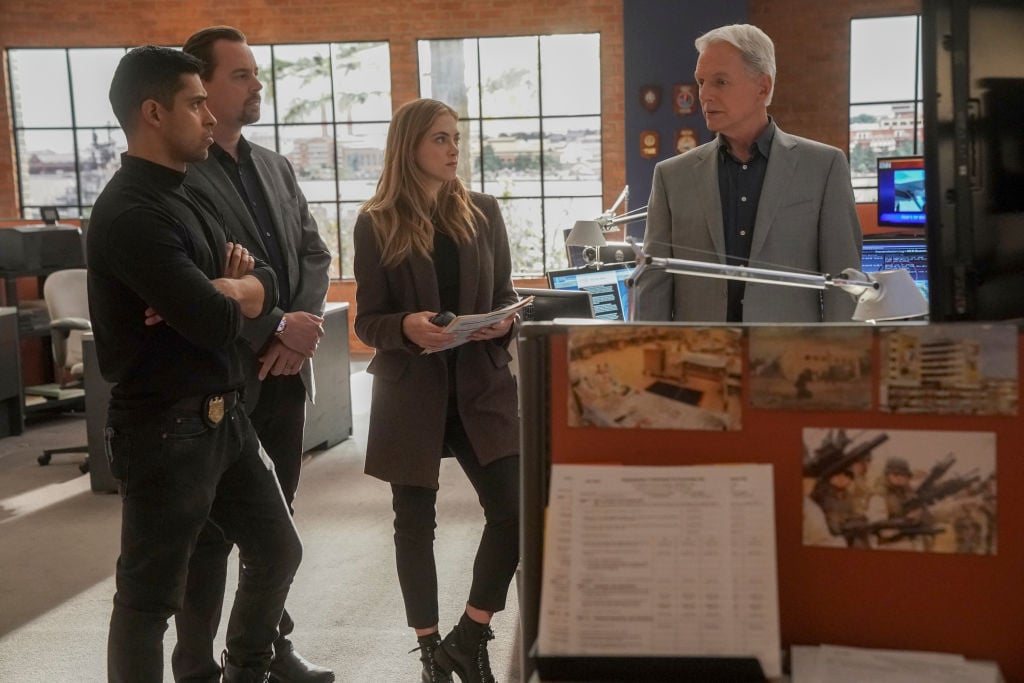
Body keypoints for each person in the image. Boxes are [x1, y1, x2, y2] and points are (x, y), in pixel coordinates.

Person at [86, 45, 302, 682]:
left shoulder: (189, 192)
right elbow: (212, 322)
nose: (210, 117)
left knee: (277, 550)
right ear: (153, 112)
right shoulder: (131, 212)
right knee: (151, 598)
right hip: (163, 428)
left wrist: (224, 288)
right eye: (196, 102)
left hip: (227, 416)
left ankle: (246, 669)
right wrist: (221, 296)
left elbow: (264, 280)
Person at [175, 26, 334, 683]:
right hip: (227, 377)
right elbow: (195, 279)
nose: (256, 85)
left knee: (277, 522)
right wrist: (271, 328)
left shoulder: (276, 165)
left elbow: (314, 254)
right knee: (209, 533)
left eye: (256, 74)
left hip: (286, 378)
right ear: (202, 87)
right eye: (241, 75)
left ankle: (267, 647)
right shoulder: (181, 172)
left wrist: (303, 328)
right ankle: (193, 663)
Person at [352, 98, 521, 683]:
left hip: (480, 386)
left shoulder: (483, 211)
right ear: (410, 148)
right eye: (440, 140)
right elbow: (366, 320)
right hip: (412, 391)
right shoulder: (376, 221)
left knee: (516, 511)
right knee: (413, 522)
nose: (454, 150)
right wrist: (404, 327)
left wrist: (504, 319)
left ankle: (469, 635)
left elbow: (503, 293)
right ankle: (430, 653)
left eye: (456, 138)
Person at [633, 23, 862, 323]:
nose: (704, 95)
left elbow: (843, 285)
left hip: (792, 361)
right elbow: (654, 285)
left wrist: (841, 363)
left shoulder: (823, 166)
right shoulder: (671, 176)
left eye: (720, 82)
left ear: (763, 87)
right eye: (701, 81)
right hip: (699, 361)